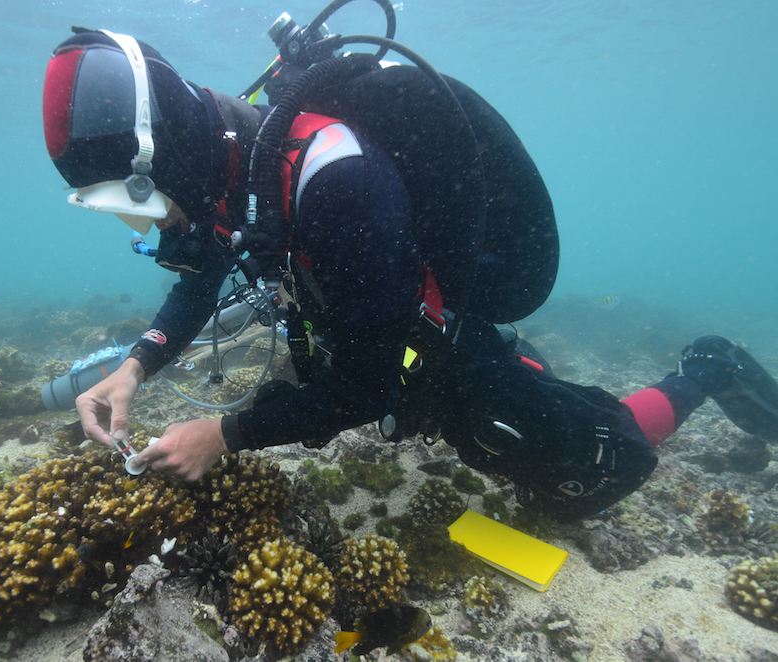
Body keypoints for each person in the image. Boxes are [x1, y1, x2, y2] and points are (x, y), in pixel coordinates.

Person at [41, 28, 778, 520]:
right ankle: (509, 361)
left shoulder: (333, 179)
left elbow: (368, 386)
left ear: (167, 157)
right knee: (442, 377)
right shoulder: (231, 156)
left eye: (142, 206)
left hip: (433, 305)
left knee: (590, 468)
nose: (151, 229)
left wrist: (224, 434)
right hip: (384, 291)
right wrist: (138, 365)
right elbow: (204, 265)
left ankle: (707, 366)